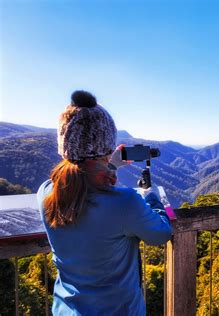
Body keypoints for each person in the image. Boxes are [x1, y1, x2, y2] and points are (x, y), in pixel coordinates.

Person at [37, 90, 173, 315]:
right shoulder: (125, 202)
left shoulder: (47, 193)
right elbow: (160, 234)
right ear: (107, 147)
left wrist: (109, 166)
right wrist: (150, 196)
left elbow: (83, 181)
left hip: (66, 309)